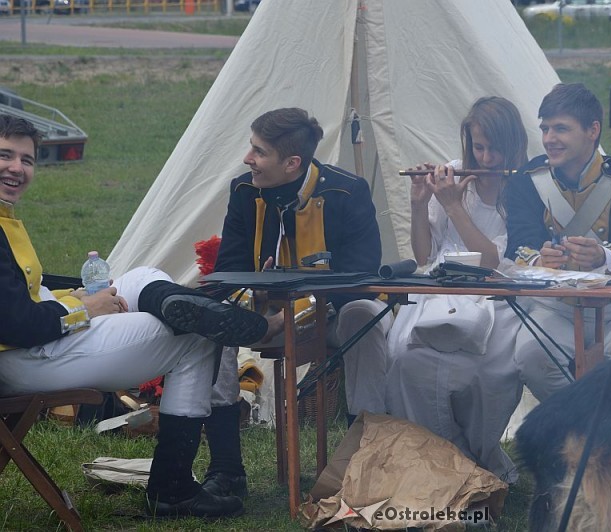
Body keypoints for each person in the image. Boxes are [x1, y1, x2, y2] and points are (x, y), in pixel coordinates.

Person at [0, 114, 279, 518]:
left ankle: (174, 303)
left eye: (26, 160)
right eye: (5, 156)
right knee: (195, 338)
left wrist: (74, 296)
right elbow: (16, 324)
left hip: (34, 345)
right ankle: (173, 487)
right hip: (22, 361)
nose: (17, 168)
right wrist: (83, 308)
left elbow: (21, 295)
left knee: (138, 278)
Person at [213, 108, 389, 440]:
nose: (247, 158)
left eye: (259, 152)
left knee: (363, 316)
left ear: (292, 162)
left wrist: (292, 315)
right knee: (215, 323)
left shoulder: (348, 192)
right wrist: (257, 298)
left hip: (335, 315)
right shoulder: (244, 192)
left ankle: (366, 443)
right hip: (265, 315)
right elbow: (228, 273)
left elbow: (359, 280)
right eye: (251, 147)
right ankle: (226, 460)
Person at [385, 96, 528, 481]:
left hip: (495, 292)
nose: (486, 157)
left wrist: (454, 208)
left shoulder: (524, 188)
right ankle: (436, 462)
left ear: (512, 143)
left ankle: (474, 459)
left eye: (494, 148)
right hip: (441, 288)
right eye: (478, 147)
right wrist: (419, 203)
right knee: (404, 356)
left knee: (489, 373)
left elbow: (491, 262)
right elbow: (422, 254)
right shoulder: (453, 173)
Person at [504, 83, 611, 401]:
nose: (549, 138)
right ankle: (586, 426)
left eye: (561, 128)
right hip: (554, 305)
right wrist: (539, 261)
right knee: (532, 355)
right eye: (545, 128)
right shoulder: (526, 180)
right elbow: (519, 244)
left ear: (593, 130)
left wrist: (602, 258)